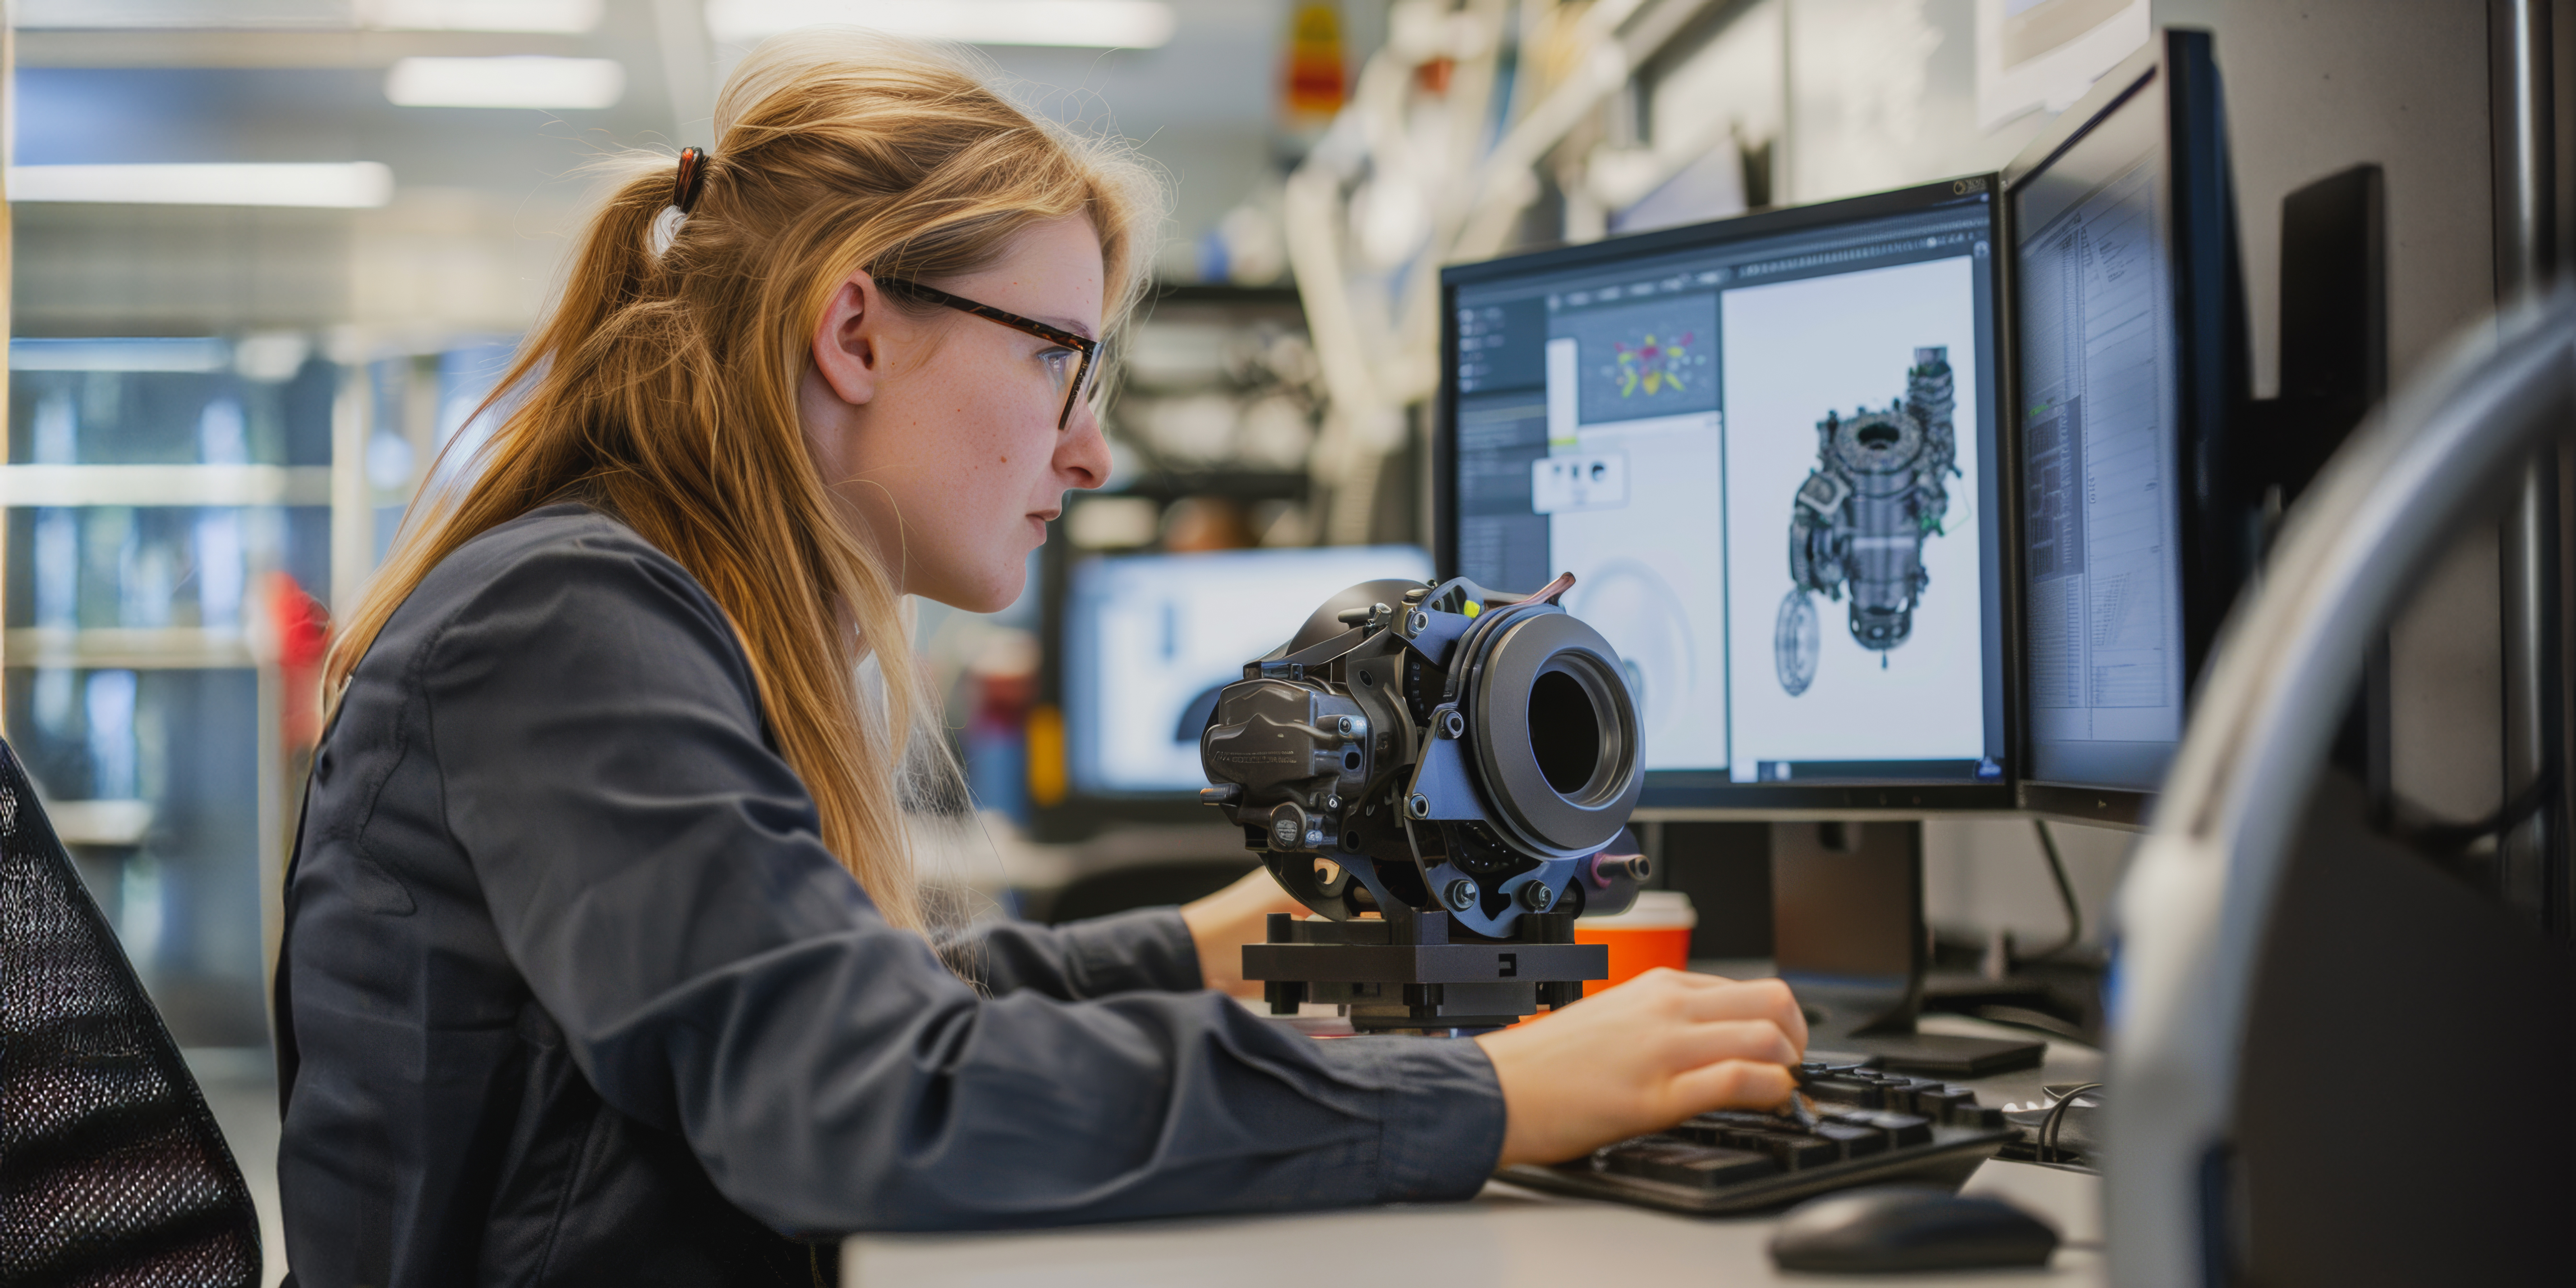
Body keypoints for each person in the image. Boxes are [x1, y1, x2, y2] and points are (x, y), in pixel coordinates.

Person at [273, 28, 1807, 1287]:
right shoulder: (566, 625)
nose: (1091, 448)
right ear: (854, 335)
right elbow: (861, 1094)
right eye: (1055, 357)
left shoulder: (651, 601)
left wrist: (1214, 943)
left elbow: (854, 1003)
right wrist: (1483, 1097)